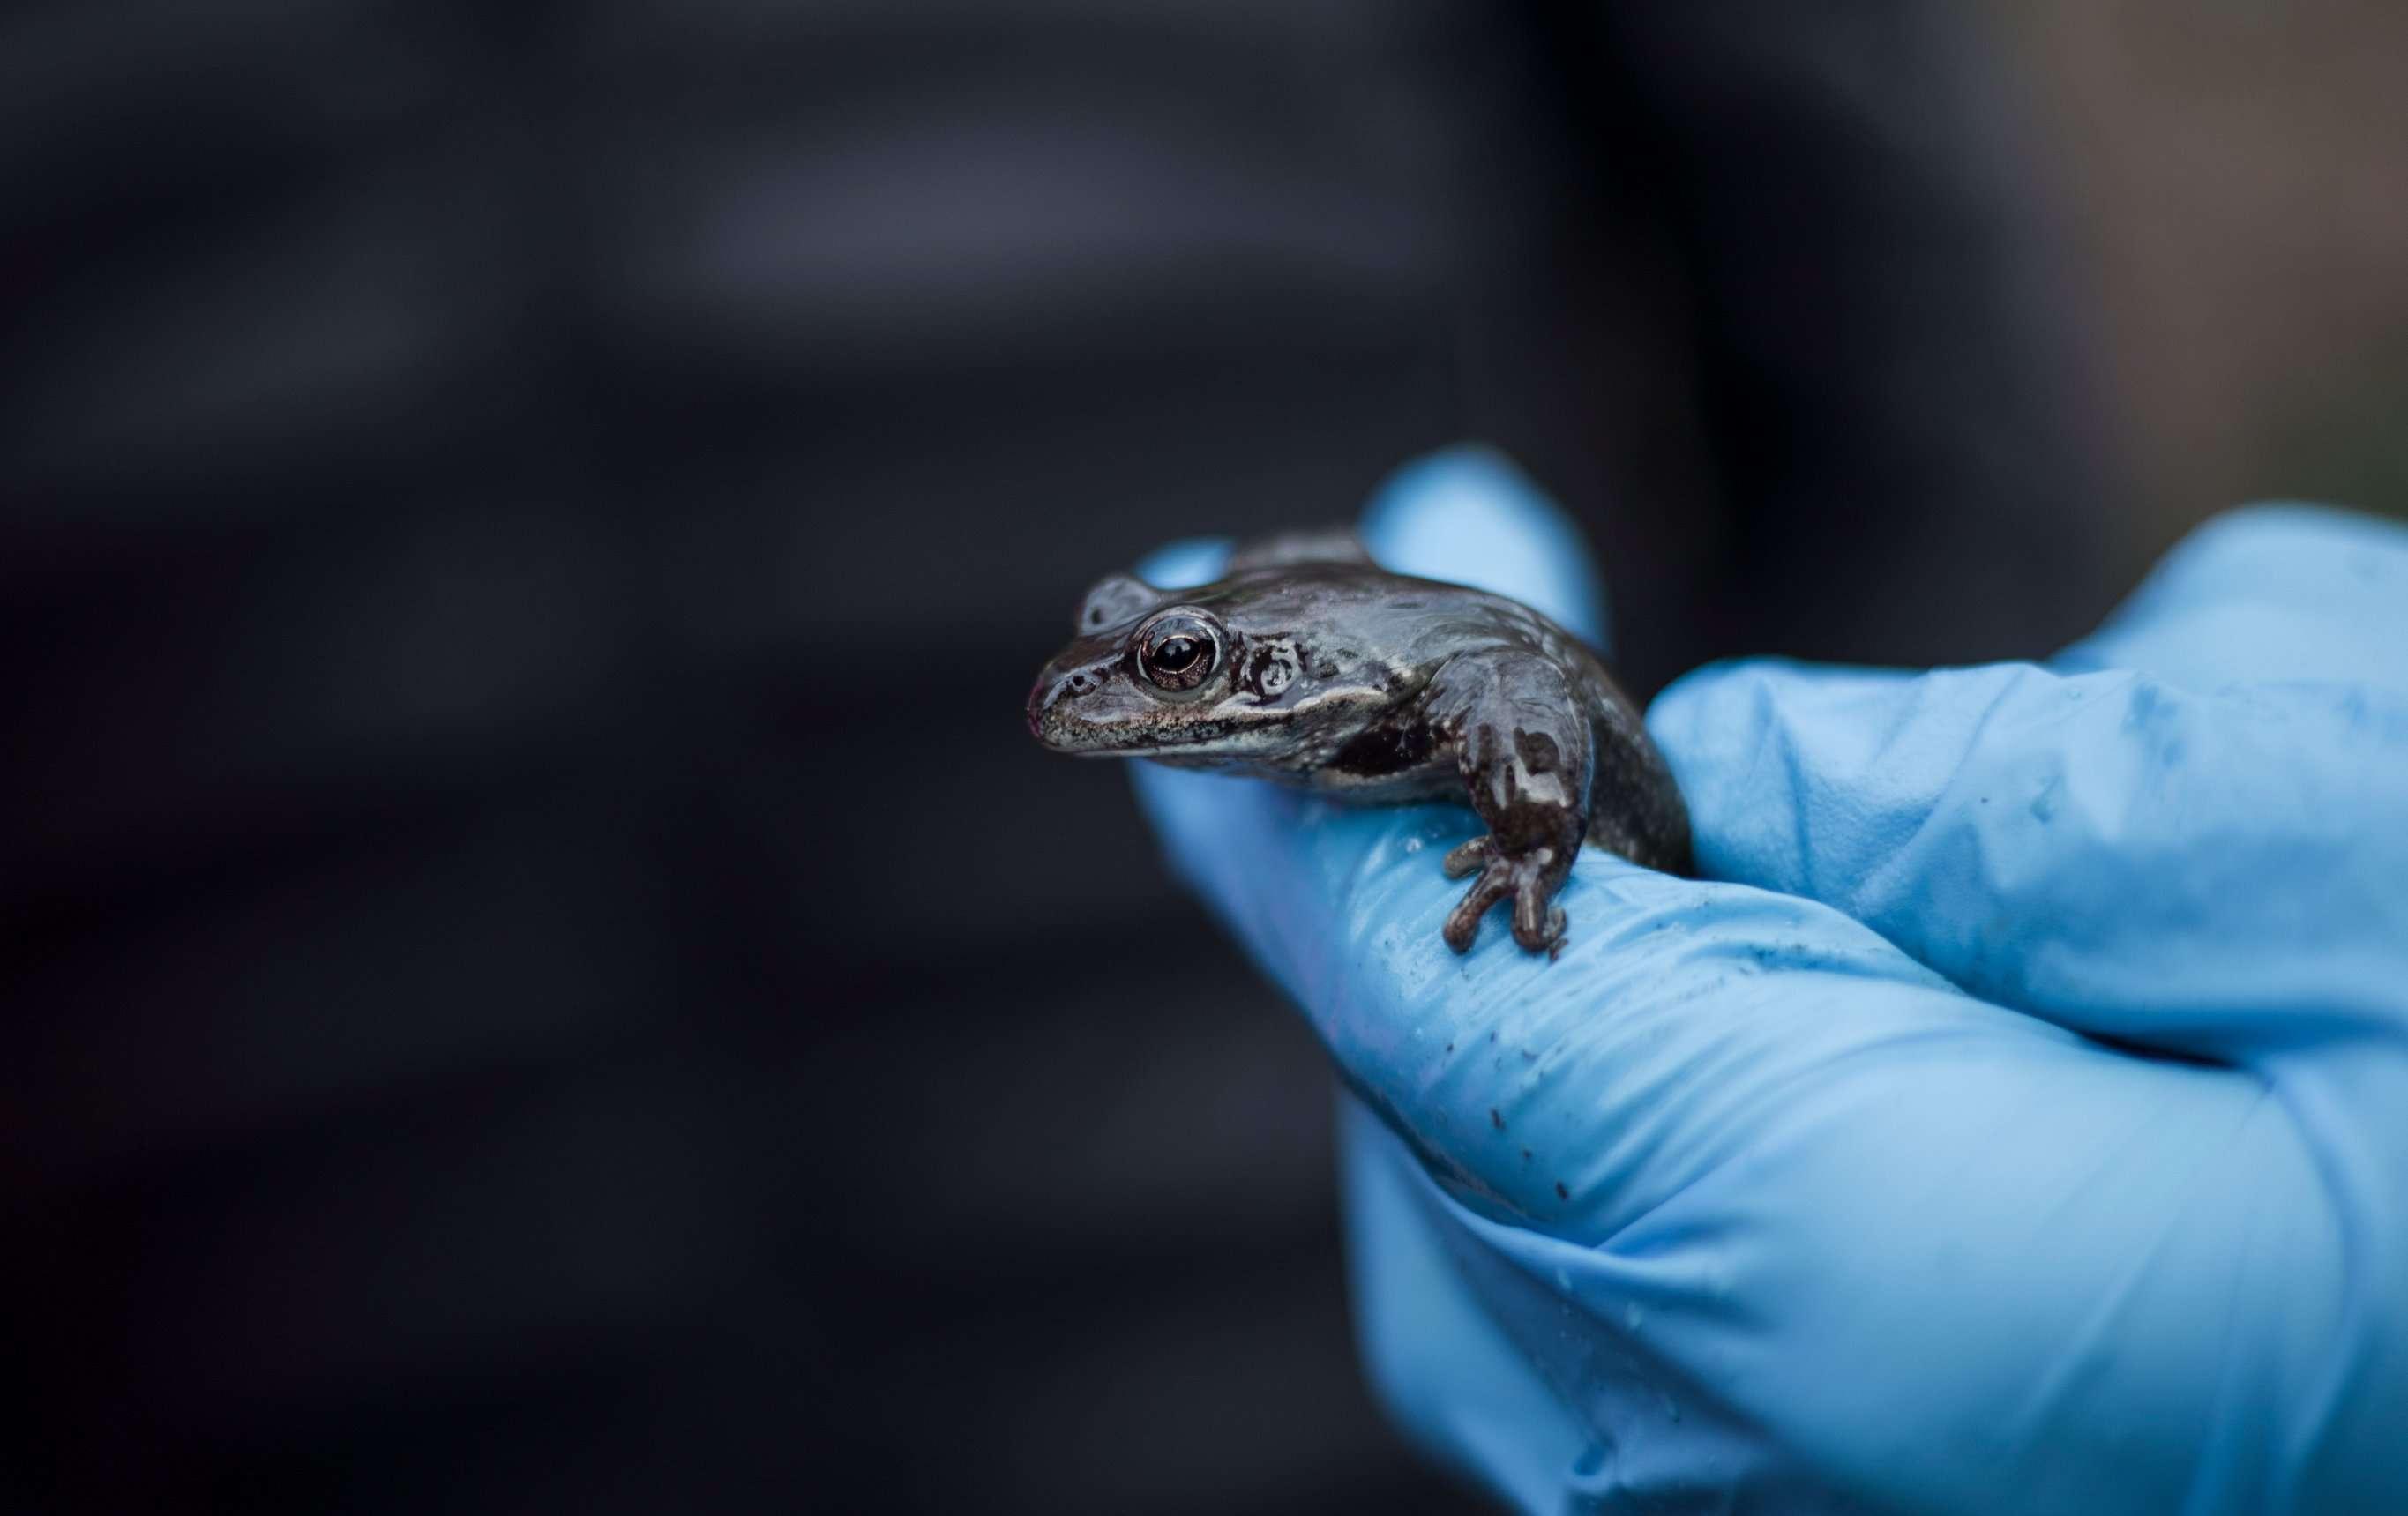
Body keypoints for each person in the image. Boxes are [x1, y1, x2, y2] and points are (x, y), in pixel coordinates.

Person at [1128, 449, 2408, 1512]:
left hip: (1687, 871)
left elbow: (1503, 681)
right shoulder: (1303, 665)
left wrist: (1526, 841)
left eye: (1172, 660)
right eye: (1132, 643)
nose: (1119, 677)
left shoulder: (1395, 686)